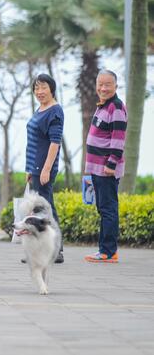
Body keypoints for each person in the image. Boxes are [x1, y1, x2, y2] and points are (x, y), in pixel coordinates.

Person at [84, 69, 127, 263]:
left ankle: (108, 252)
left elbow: (118, 139)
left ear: (115, 86)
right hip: (97, 168)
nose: (103, 88)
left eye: (107, 84)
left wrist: (111, 164)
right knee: (103, 208)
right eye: (100, 84)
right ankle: (104, 250)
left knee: (108, 209)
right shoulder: (103, 106)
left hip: (106, 168)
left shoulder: (116, 107)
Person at [25, 74, 65, 263]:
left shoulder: (55, 111)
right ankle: (45, 250)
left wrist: (47, 169)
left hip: (44, 166)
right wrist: (28, 168)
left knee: (45, 207)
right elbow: (33, 142)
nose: (39, 92)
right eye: (36, 88)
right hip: (35, 166)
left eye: (43, 88)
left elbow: (54, 143)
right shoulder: (41, 109)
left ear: (52, 89)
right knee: (42, 206)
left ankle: (55, 250)